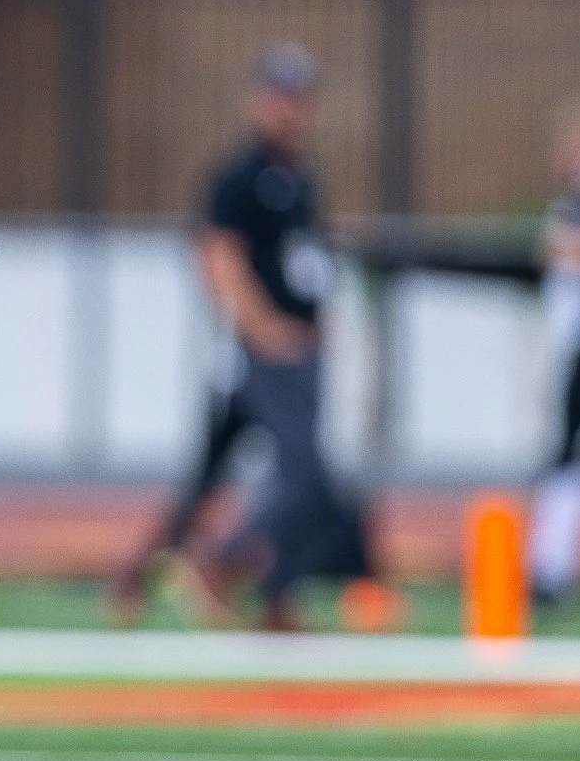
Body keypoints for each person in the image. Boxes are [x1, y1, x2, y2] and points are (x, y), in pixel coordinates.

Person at [108, 43, 388, 632]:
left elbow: (305, 263)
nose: (290, 110)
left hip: (293, 352)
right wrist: (264, 331)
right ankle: (237, 570)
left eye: (299, 98)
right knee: (303, 473)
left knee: (209, 475)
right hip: (262, 356)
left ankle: (138, 579)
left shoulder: (300, 177)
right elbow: (219, 257)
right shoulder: (240, 177)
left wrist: (320, 331)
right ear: (259, 100)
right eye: (280, 96)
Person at [526, 98, 580, 603]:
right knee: (565, 457)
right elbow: (557, 251)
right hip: (576, 352)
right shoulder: (569, 209)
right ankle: (548, 568)